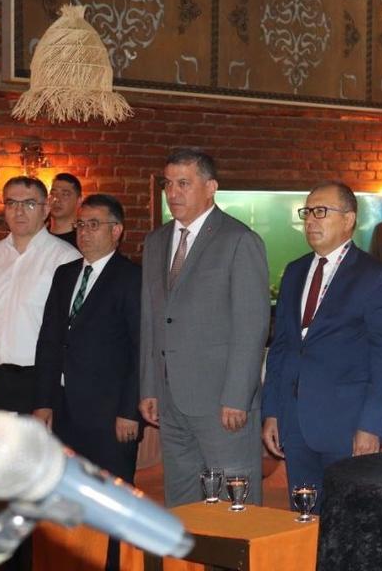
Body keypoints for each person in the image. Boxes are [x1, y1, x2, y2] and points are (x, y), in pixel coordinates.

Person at [139, 148, 270, 507]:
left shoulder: (238, 240)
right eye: (168, 184)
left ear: (211, 187)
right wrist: (149, 386)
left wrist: (237, 396)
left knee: (234, 502)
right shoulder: (156, 242)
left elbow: (251, 325)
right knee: (182, 501)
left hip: (221, 402)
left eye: (184, 183)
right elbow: (151, 319)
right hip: (169, 398)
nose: (173, 192)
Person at [262, 181, 382, 511]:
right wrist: (272, 412)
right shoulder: (295, 271)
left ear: (349, 219)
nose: (311, 220)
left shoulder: (375, 276)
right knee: (304, 518)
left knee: (349, 521)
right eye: (307, 212)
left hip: (347, 426)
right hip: (295, 423)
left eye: (321, 211)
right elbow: (281, 347)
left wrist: (371, 425)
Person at [34, 194, 140, 571]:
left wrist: (130, 410)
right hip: (65, 410)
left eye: (94, 224)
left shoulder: (131, 278)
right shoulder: (65, 275)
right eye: (81, 224)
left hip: (110, 415)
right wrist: (43, 402)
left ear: (117, 231)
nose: (85, 232)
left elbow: (140, 349)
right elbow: (49, 340)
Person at [0, 176, 81, 415]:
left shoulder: (66, 257)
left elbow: (72, 329)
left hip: (40, 379)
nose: (19, 211)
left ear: (46, 209)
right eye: (12, 203)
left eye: (29, 203)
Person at [49, 172, 82, 248]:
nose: (56, 199)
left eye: (65, 194)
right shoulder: (38, 236)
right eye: (53, 193)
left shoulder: (82, 240)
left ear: (79, 201)